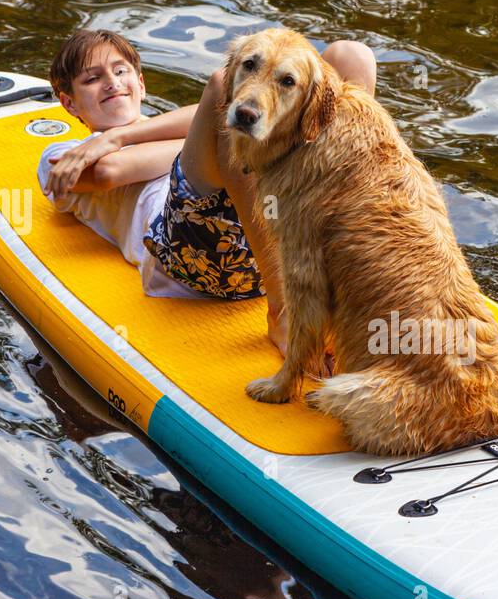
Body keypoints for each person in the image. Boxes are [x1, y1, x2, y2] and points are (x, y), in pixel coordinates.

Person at [37, 28, 377, 355]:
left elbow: (221, 113)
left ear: (140, 84)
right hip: (192, 259)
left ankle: (348, 274)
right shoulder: (69, 152)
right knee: (221, 90)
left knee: (350, 57)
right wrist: (112, 140)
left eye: (120, 70)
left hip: (282, 236)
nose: (111, 82)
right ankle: (284, 313)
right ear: (69, 104)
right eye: (92, 79)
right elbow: (112, 171)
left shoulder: (176, 130)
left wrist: (122, 137)